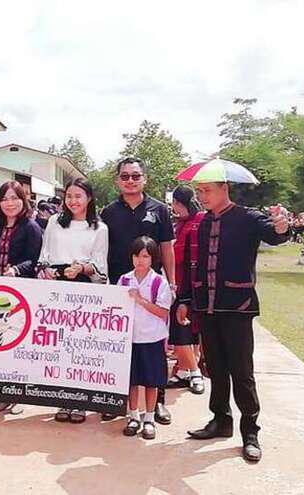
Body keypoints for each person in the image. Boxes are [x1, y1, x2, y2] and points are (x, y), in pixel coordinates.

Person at [181, 181, 289, 463]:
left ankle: (250, 432)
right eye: (199, 191)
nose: (202, 196)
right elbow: (193, 264)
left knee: (242, 372)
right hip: (207, 307)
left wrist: (281, 226)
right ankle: (221, 420)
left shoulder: (248, 217)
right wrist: (186, 300)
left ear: (224, 189)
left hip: (237, 307)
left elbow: (274, 235)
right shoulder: (202, 223)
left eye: (207, 191)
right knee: (215, 369)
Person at [100, 157, 175, 425]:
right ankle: (119, 401)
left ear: (145, 179)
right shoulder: (108, 212)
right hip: (119, 287)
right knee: (122, 347)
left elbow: (166, 247)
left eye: (135, 176)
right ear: (117, 180)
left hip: (150, 290)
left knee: (153, 347)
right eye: (125, 176)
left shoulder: (159, 210)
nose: (130, 181)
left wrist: (172, 281)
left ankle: (158, 403)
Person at [38, 177, 108, 423]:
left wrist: (82, 268)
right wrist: (47, 270)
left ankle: (80, 401)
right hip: (57, 287)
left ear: (89, 198)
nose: (73, 201)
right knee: (57, 345)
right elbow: (44, 254)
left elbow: (100, 267)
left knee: (79, 347)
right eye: (69, 196)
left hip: (83, 289)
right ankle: (61, 399)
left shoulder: (99, 228)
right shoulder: (55, 222)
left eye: (78, 196)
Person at [0, 181, 43, 415]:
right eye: (5, 199)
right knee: (1, 343)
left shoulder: (32, 227)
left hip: (21, 294)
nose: (10, 203)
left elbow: (35, 260)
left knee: (20, 343)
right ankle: (3, 393)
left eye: (15, 198)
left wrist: (16, 269)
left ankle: (21, 395)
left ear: (23, 201)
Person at [119, 236, 173, 440]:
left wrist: (140, 300)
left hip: (152, 338)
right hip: (130, 338)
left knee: (151, 381)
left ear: (152, 258)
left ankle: (149, 418)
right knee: (132, 380)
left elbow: (163, 312)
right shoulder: (124, 280)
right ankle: (133, 416)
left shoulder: (159, 282)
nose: (139, 260)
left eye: (144, 256)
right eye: (136, 256)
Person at [167, 185, 205, 394]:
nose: (174, 207)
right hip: (180, 283)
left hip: (190, 285)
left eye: (175, 203)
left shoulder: (197, 223)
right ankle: (184, 371)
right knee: (185, 333)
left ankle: (194, 371)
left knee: (182, 331)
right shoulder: (182, 224)